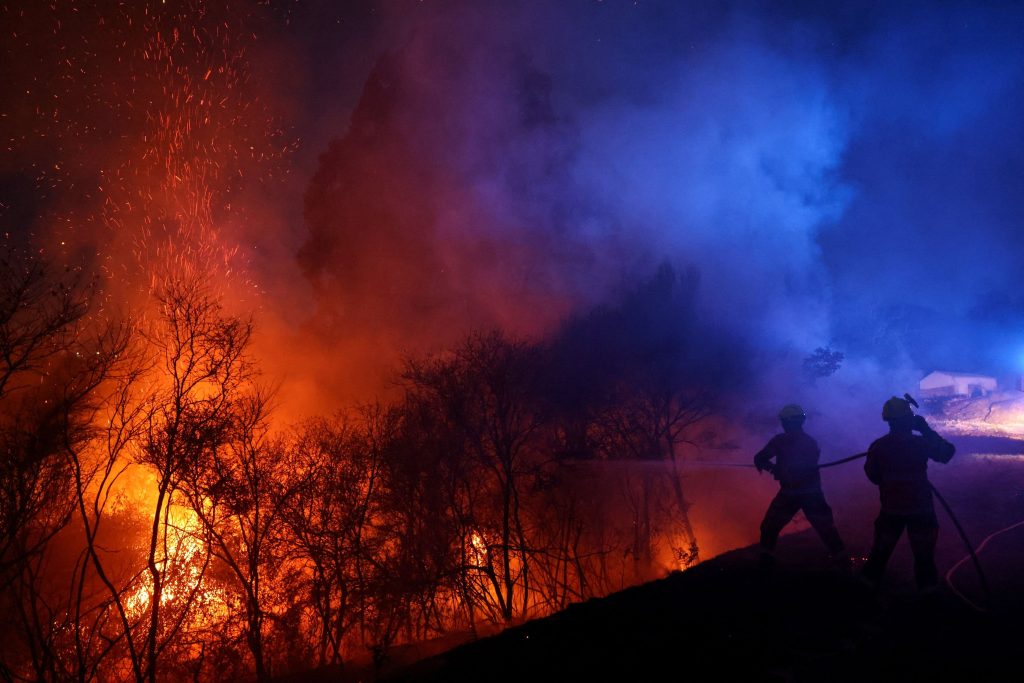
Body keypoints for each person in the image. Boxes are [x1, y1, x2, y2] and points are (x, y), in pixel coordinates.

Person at [860, 396, 955, 592]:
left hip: (891, 511)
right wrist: (925, 430)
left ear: (888, 420)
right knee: (924, 559)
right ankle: (928, 600)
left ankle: (864, 597)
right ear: (909, 419)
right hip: (921, 511)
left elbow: (873, 475)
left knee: (879, 555)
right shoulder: (920, 444)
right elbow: (946, 453)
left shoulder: (878, 446)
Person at [754, 404, 846, 570]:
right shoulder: (799, 442)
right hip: (805, 493)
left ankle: (765, 562)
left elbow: (761, 458)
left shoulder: (788, 442)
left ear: (787, 422)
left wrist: (778, 470)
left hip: (799, 494)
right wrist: (773, 468)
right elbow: (760, 458)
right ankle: (842, 562)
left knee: (770, 527)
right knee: (824, 528)